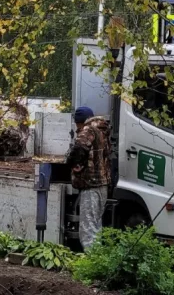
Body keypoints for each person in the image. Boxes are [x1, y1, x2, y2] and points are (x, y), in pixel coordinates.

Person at [65, 106, 112, 250]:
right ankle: (97, 258)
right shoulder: (103, 130)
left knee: (87, 228)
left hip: (90, 183)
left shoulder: (88, 130)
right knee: (96, 225)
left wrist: (73, 163)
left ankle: (90, 263)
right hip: (102, 184)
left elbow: (79, 148)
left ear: (79, 121)